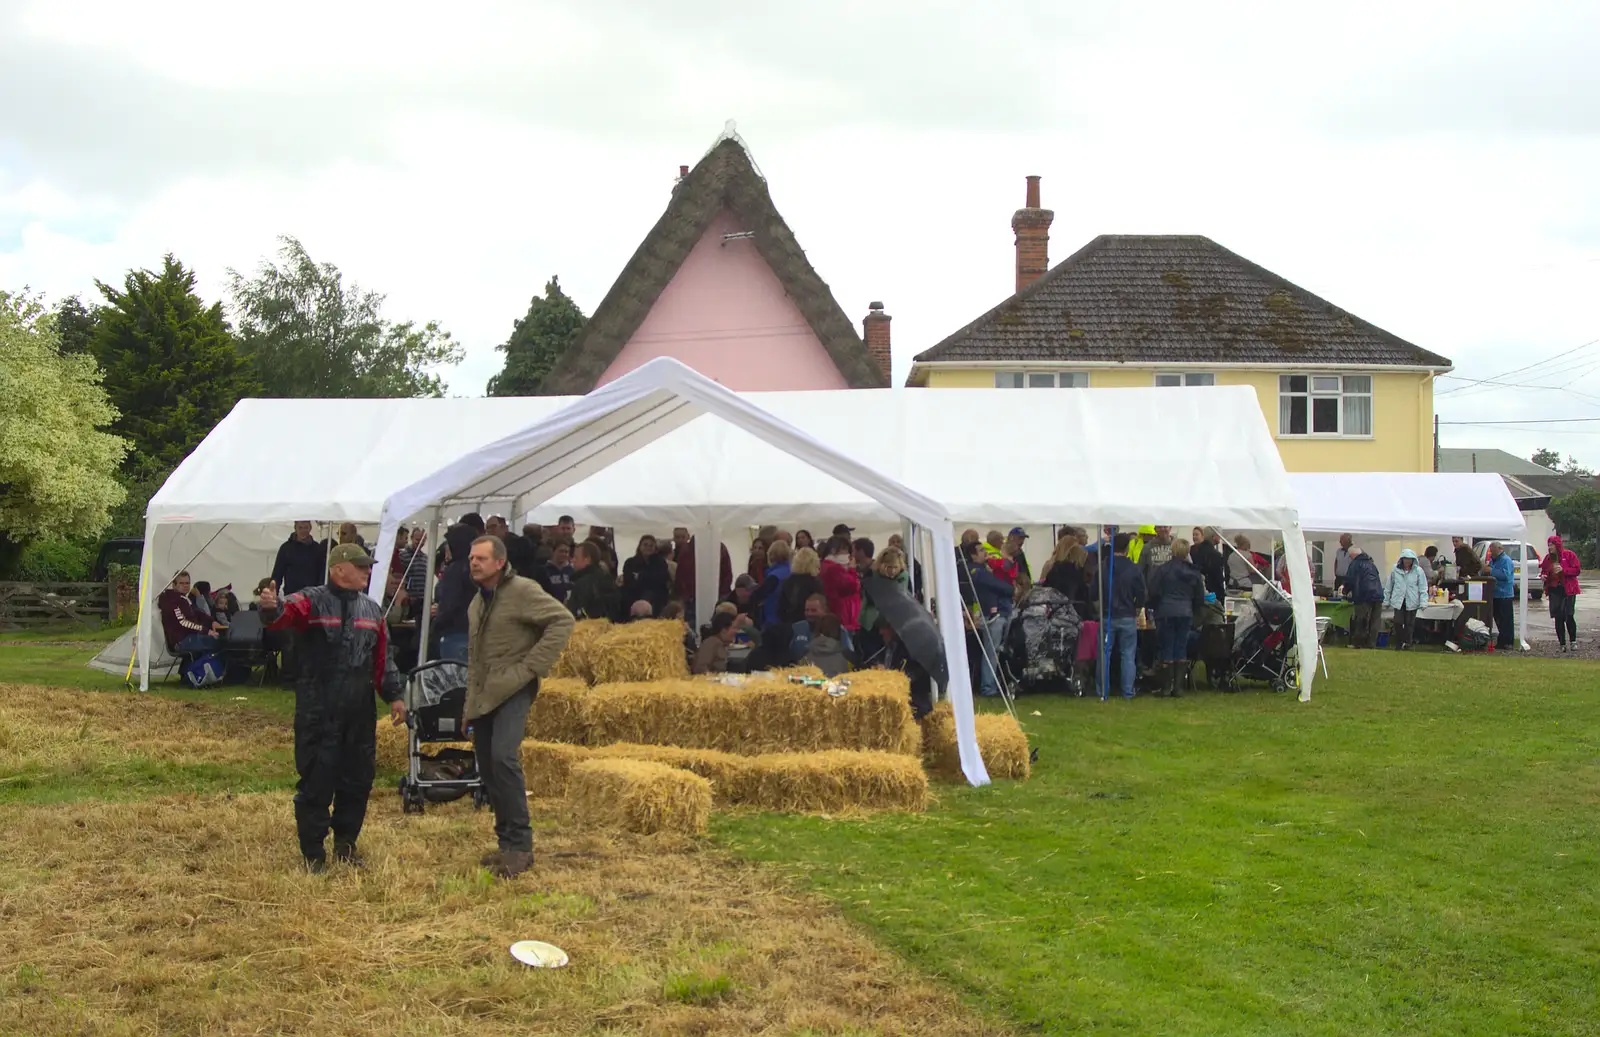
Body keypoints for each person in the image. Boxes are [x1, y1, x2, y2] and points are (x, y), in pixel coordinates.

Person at [259, 544, 405, 872]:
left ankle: (345, 844)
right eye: (361, 566)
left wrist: (394, 695)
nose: (368, 571)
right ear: (339, 569)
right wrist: (270, 607)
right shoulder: (311, 599)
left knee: (358, 779)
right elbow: (282, 615)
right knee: (317, 778)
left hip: (359, 709)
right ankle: (313, 854)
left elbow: (383, 658)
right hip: (318, 707)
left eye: (368, 566)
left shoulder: (372, 610)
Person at [464, 534, 574, 879]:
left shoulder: (523, 591)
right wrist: (468, 705)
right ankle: (506, 844)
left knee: (502, 757)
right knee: (487, 763)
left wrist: (532, 667)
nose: (474, 563)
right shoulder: (477, 603)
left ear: (500, 562)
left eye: (481, 558)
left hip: (514, 687)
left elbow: (563, 620)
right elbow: (475, 660)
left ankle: (521, 848)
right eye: (471, 558)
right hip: (486, 691)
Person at [1146, 538, 1205, 697]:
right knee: (1181, 648)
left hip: (1166, 611)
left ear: (1172, 550)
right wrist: (1191, 610)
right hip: (1185, 612)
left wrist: (1156, 608)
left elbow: (1153, 591)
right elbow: (1200, 597)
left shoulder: (1162, 570)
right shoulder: (1194, 571)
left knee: (1167, 648)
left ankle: (1166, 687)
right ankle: (1178, 688)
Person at [963, 539, 1014, 697]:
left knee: (994, 652)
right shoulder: (976, 571)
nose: (985, 553)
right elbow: (998, 585)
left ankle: (993, 684)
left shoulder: (984, 569)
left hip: (997, 613)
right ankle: (988, 687)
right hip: (992, 615)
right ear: (972, 555)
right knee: (991, 653)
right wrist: (1011, 589)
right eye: (980, 551)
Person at [1104, 533, 1148, 700]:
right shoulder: (1134, 568)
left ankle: (1103, 690)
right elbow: (1141, 592)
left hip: (1107, 615)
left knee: (1105, 653)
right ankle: (1128, 691)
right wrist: (1138, 609)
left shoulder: (1104, 566)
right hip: (1127, 614)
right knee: (1128, 654)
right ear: (1127, 548)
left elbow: (1094, 591)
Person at [433, 524, 478, 661]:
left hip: (456, 633)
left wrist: (437, 622)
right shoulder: (477, 568)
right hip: (476, 633)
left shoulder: (455, 569)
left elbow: (449, 604)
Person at [875, 615, 934, 718]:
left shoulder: (910, 649)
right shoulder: (889, 646)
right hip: (893, 696)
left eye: (884, 628)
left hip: (914, 700)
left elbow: (917, 673)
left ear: (893, 628)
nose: (880, 632)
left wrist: (892, 675)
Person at [159, 571, 225, 653]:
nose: (185, 586)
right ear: (174, 585)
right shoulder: (172, 601)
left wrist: (212, 622)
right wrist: (207, 631)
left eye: (187, 583)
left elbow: (197, 613)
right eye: (181, 583)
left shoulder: (183, 599)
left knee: (223, 640)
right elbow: (183, 622)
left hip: (190, 637)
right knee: (221, 643)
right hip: (182, 640)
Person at [1540, 534, 1582, 650]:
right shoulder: (1548, 558)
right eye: (1548, 545)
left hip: (1568, 589)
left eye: (1552, 544)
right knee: (1558, 617)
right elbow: (1544, 570)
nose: (1550, 547)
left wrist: (1564, 570)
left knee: (1569, 615)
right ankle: (1562, 644)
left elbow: (1577, 570)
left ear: (1557, 545)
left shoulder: (1569, 555)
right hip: (1554, 590)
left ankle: (1573, 641)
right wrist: (1544, 576)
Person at [271, 521, 329, 597]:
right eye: (300, 528)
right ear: (295, 528)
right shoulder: (286, 548)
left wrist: (320, 594)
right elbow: (277, 573)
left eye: (306, 527)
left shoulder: (317, 549)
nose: (303, 531)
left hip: (312, 597)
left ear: (310, 528)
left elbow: (322, 574)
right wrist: (273, 594)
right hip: (291, 595)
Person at [1384, 549, 1427, 650]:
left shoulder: (1418, 571)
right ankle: (1400, 641)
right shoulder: (1395, 569)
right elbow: (1389, 585)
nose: (1408, 561)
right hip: (1398, 600)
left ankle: (1408, 643)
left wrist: (1423, 602)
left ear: (1413, 560)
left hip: (1412, 600)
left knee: (1409, 624)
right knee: (1397, 622)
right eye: (1406, 559)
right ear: (1402, 559)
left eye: (1410, 559)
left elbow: (1423, 587)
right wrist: (1386, 600)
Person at [1344, 547, 1385, 649]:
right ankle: (1371, 644)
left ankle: (1358, 643)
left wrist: (1345, 591)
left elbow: (1350, 580)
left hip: (1363, 594)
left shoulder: (1355, 564)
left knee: (1361, 619)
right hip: (1378, 594)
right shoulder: (1371, 563)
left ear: (1352, 555)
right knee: (1375, 620)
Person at [621, 534, 672, 616]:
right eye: (645, 545)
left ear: (655, 548)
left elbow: (660, 580)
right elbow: (628, 581)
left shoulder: (660, 562)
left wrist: (640, 576)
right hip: (634, 596)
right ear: (640, 546)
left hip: (656, 597)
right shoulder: (630, 562)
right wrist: (647, 577)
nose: (648, 547)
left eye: (651, 545)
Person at [567, 541, 620, 620]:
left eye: (576, 557)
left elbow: (578, 612)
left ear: (587, 560)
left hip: (587, 628)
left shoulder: (583, 583)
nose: (572, 560)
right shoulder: (606, 577)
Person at [820, 536, 863, 632]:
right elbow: (852, 585)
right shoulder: (834, 568)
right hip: (844, 616)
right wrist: (852, 570)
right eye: (844, 550)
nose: (847, 555)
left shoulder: (825, 566)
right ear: (833, 550)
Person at [747, 539, 792, 627]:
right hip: (789, 620)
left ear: (771, 555)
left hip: (773, 620)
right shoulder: (792, 572)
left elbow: (757, 595)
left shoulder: (773, 576)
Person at [778, 547, 827, 624]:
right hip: (810, 623)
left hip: (790, 624)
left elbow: (781, 608)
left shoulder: (787, 582)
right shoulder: (815, 583)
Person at [1488, 542, 1517, 650]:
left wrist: (1491, 571)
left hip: (1504, 593)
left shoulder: (1506, 560)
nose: (1491, 552)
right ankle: (1502, 640)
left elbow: (1506, 576)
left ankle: (1508, 642)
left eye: (1493, 550)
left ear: (1500, 549)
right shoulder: (1493, 560)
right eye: (1490, 550)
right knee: (1499, 619)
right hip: (1495, 593)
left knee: (1506, 619)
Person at [1190, 527, 1227, 600]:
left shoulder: (1195, 551)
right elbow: (1218, 578)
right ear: (1213, 537)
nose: (1220, 537)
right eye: (1218, 535)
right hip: (1212, 594)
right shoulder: (1216, 555)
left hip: (1198, 591)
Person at [544, 540, 575, 605]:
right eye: (561, 551)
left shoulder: (572, 571)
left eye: (566, 552)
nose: (563, 554)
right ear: (553, 551)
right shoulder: (544, 570)